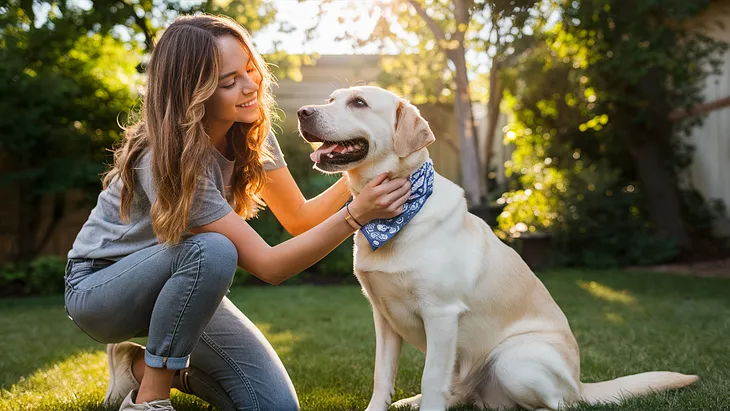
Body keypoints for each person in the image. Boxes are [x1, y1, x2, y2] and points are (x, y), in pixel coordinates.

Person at [63, 14, 410, 411]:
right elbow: (270, 266)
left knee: (275, 407)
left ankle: (138, 368)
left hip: (185, 286)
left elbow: (299, 218)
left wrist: (364, 172)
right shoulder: (167, 158)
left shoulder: (251, 128)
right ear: (193, 93)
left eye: (250, 70)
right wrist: (356, 214)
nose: (250, 88)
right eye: (229, 82)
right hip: (101, 290)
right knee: (213, 248)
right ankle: (150, 398)